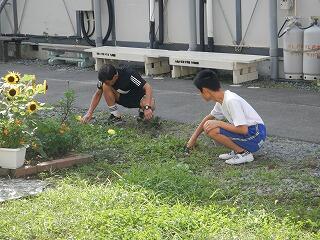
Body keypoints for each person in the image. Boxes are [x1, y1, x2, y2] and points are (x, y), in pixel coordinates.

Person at [187, 69, 266, 165]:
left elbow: (243, 130)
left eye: (200, 92)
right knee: (209, 125)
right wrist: (193, 139)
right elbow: (208, 118)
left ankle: (243, 153)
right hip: (252, 132)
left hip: (256, 135)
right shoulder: (221, 100)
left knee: (213, 128)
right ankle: (238, 151)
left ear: (205, 90)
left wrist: (218, 123)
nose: (200, 95)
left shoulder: (231, 101)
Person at [82, 64, 155, 123]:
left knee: (151, 103)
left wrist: (147, 107)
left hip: (137, 99)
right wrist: (89, 113)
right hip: (121, 98)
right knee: (104, 86)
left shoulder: (129, 74)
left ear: (115, 77)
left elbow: (148, 87)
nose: (106, 83)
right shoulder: (105, 80)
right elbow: (98, 94)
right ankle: (115, 116)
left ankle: (142, 113)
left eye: (108, 82)